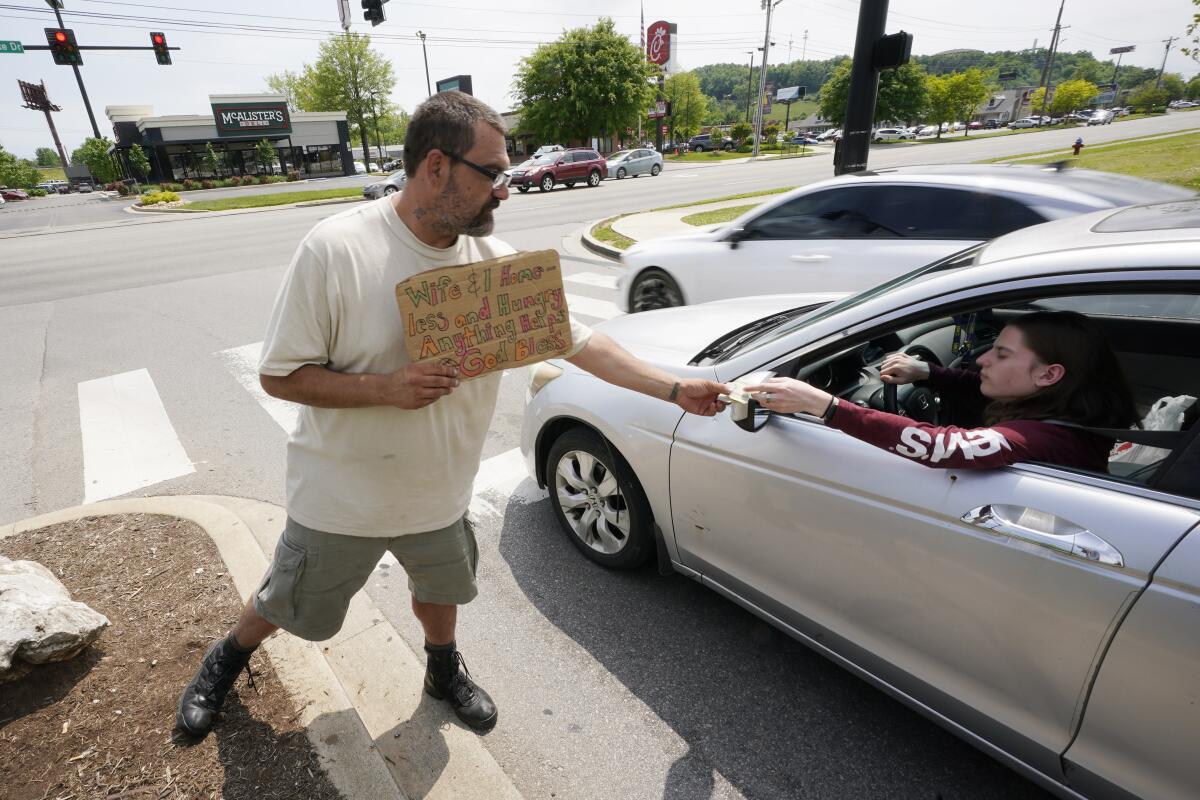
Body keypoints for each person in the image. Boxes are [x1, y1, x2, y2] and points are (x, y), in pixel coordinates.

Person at [175, 91, 728, 739]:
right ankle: (227, 657)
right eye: (492, 173)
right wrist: (386, 389)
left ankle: (443, 671)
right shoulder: (336, 249)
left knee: (443, 593)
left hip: (439, 494)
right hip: (340, 495)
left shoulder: (494, 267)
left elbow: (580, 343)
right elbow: (280, 375)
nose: (505, 190)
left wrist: (674, 389)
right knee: (288, 598)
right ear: (436, 167)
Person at [743, 310, 1137, 471]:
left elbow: (939, 447)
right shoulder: (1077, 403)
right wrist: (928, 372)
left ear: (1049, 375)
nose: (982, 361)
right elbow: (981, 388)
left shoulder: (1040, 436)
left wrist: (826, 405)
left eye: (1001, 355)